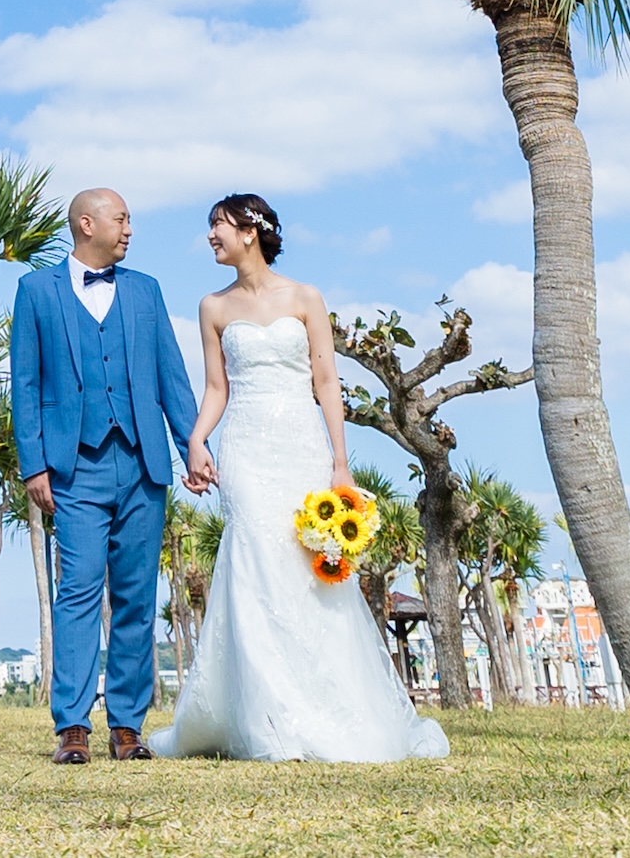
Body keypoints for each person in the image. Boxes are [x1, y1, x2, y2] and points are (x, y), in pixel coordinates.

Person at [150, 192, 450, 764]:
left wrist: (340, 462)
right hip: (245, 446)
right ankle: (268, 720)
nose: (210, 236)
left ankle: (327, 705)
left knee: (308, 571)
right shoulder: (212, 307)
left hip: (302, 446)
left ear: (250, 230)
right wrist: (194, 440)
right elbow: (217, 389)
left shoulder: (306, 297)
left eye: (218, 225)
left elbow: (326, 382)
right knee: (255, 565)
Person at [9, 186, 203, 763]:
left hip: (142, 462)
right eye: (121, 219)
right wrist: (33, 464)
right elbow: (24, 384)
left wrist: (192, 445)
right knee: (78, 592)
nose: (130, 229)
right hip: (73, 468)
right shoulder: (35, 291)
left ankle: (127, 725)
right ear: (86, 224)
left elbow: (173, 376)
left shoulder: (146, 291)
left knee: (138, 597)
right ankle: (72, 725)